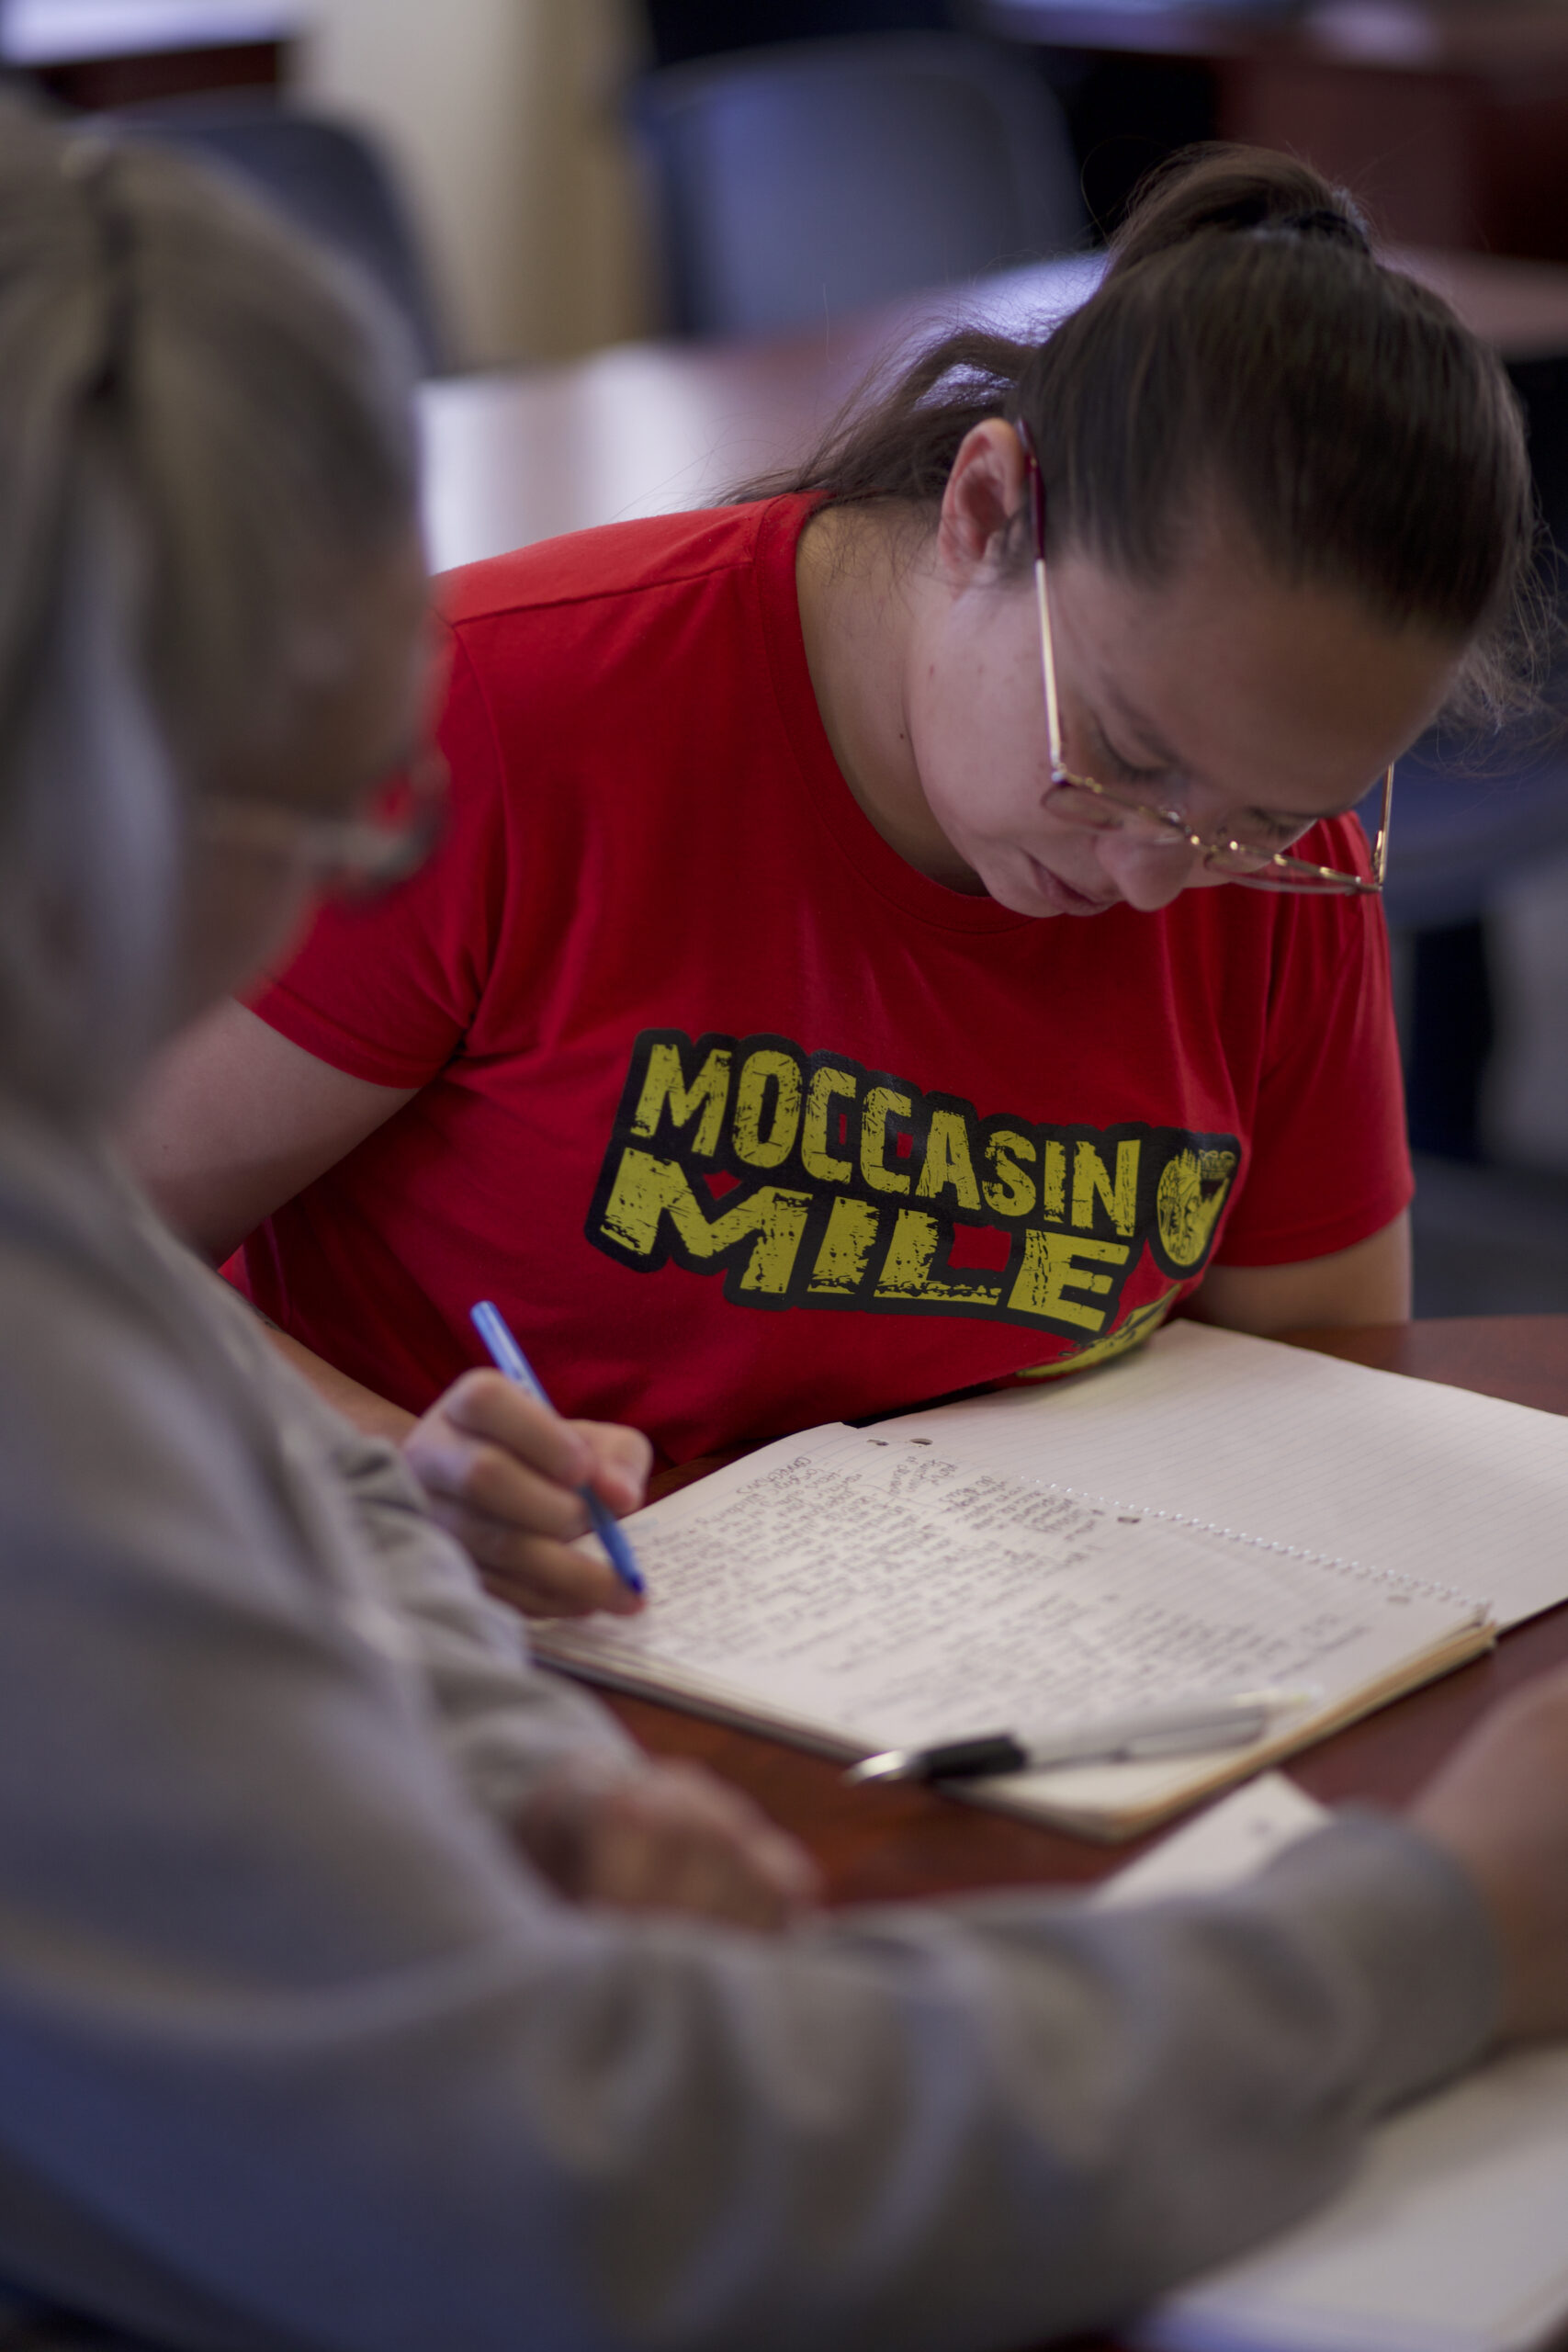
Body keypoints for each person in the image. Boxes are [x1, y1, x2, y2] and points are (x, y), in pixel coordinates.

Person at [6, 94, 1568, 2352]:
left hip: (804, 1752)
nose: (347, 886)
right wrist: (1437, 1926)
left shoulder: (41, 1234)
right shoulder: (520, 724)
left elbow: (173, 1380)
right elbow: (594, 2188)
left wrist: (516, 1759)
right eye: (299, 817)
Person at [126, 144, 1536, 1621]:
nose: (1158, 873)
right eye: (1121, 755)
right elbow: (73, 1244)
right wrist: (386, 1477)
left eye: (1265, 815)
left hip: (1002, 1673)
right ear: (987, 513)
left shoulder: (1262, 859)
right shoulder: (490, 719)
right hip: (476, 1644)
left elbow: (1315, 1397)